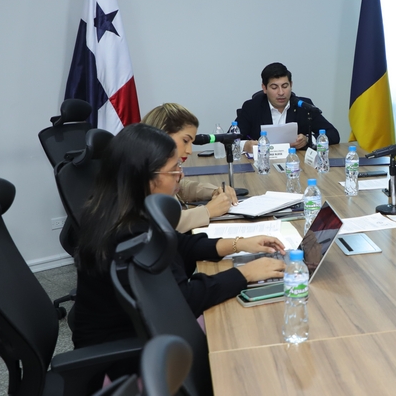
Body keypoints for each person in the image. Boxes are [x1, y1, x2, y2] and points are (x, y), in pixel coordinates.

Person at [71, 123, 286, 351]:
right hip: (127, 352)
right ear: (146, 177)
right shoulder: (131, 233)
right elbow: (182, 300)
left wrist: (239, 244)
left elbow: (181, 244)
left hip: (142, 328)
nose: (180, 176)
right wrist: (245, 273)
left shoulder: (121, 208)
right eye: (174, 170)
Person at [142, 103, 238, 232]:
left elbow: (181, 187)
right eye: (185, 141)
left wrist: (214, 191)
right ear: (162, 134)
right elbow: (159, 225)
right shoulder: (141, 172)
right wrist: (207, 211)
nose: (189, 151)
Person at [236, 62, 340, 152]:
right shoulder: (252, 107)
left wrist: (308, 140)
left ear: (291, 85)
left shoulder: (303, 107)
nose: (281, 92)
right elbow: (231, 139)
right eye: (274, 87)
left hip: (294, 162)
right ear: (264, 88)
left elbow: (333, 134)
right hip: (262, 163)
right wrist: (245, 145)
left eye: (285, 86)